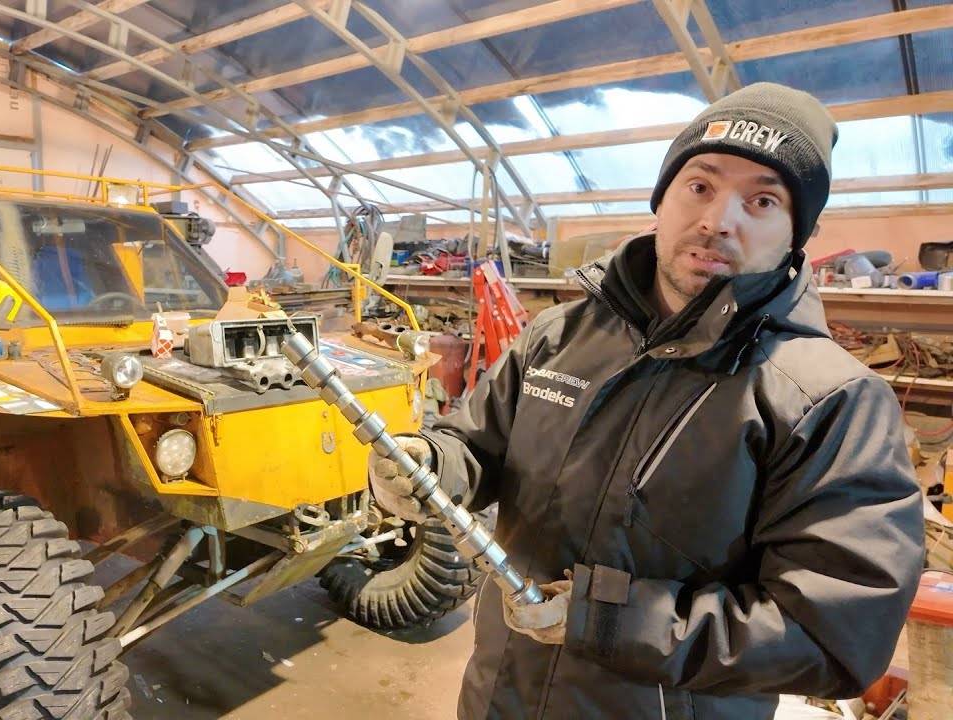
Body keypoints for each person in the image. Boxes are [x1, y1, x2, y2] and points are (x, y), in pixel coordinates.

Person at [370, 82, 925, 719]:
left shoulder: (831, 403)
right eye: (700, 185)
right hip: (502, 697)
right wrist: (432, 464)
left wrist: (610, 620)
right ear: (661, 198)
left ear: (800, 233)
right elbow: (477, 445)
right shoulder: (559, 336)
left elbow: (833, 635)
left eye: (763, 200)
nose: (718, 220)